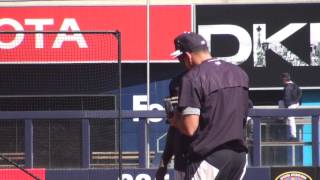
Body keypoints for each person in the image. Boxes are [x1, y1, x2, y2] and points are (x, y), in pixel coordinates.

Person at [168, 32, 249, 180]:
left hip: (209, 157)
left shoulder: (192, 77)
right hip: (239, 157)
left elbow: (190, 128)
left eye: (180, 58)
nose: (182, 62)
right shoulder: (239, 73)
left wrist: (175, 121)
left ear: (188, 56)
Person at [156, 72, 189, 180]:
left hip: (202, 165)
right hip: (181, 166)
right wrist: (163, 164)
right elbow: (173, 131)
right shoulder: (175, 119)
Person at [279, 72, 302, 139]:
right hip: (294, 104)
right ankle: (281, 117)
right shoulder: (293, 85)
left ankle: (293, 136)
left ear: (284, 79)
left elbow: (287, 98)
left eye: (282, 79)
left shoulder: (289, 87)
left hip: (292, 105)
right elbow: (300, 93)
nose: (282, 80)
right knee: (280, 102)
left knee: (290, 117)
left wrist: (296, 102)